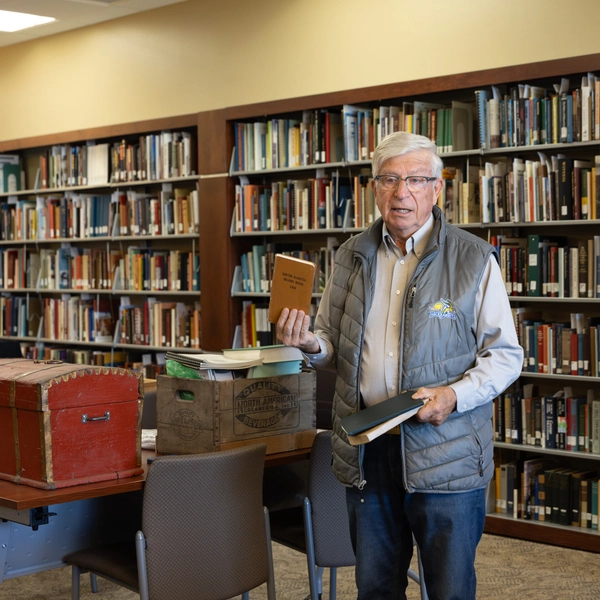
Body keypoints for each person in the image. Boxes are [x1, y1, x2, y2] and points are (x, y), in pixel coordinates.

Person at [276, 131, 523, 600]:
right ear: (373, 189)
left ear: (437, 188)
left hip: (444, 454)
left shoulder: (472, 259)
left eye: (415, 179)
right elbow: (330, 339)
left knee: (449, 588)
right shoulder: (350, 255)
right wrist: (310, 343)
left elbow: (506, 355)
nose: (401, 192)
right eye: (389, 179)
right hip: (369, 451)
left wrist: (453, 395)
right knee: (374, 587)